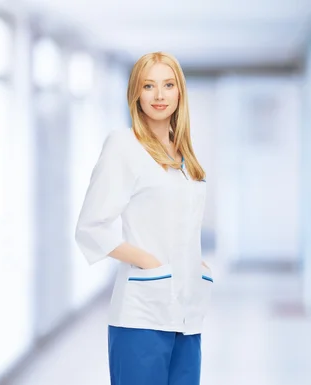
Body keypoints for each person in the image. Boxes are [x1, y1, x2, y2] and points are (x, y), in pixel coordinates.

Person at [75, 51, 213, 385]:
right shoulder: (124, 145)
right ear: (136, 93)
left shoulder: (184, 154)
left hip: (187, 313)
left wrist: (199, 265)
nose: (160, 95)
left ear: (180, 92)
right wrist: (149, 262)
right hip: (141, 316)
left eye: (168, 84)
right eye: (148, 86)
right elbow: (91, 225)